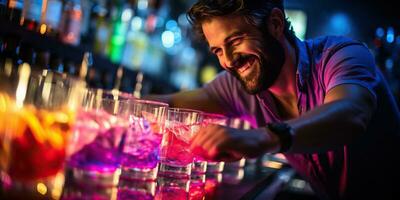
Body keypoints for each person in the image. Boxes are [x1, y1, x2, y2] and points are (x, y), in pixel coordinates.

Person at [145, 0, 400, 199]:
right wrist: (113, 106)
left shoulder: (342, 56)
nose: (229, 61)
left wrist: (264, 138)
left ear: (275, 24)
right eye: (218, 51)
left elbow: (351, 113)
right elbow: (165, 105)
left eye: (235, 41)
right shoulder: (238, 85)